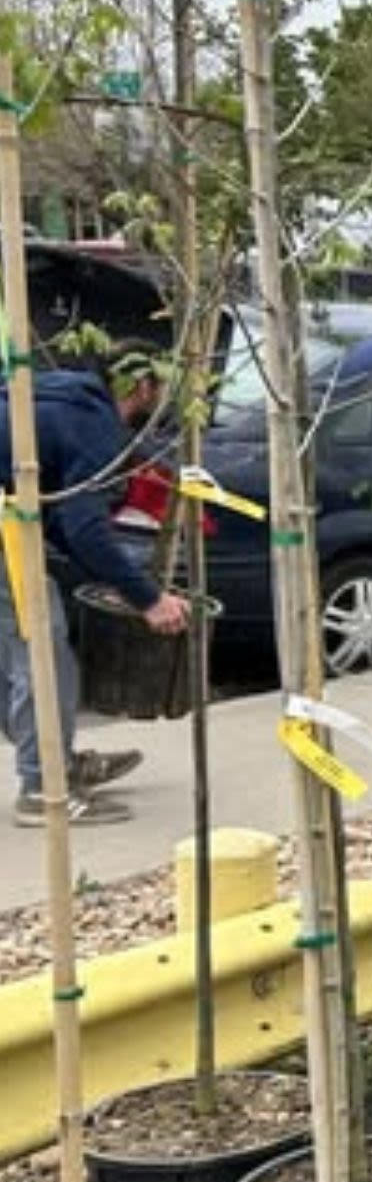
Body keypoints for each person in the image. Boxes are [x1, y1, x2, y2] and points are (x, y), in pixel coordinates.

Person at [2, 349, 186, 828]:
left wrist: (116, 580)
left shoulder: (60, 394)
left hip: (11, 522)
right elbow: (84, 527)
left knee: (18, 652)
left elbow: (63, 518)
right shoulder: (95, 423)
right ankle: (43, 785)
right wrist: (149, 598)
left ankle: (50, 762)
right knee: (41, 648)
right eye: (163, 386)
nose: (167, 397)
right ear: (141, 387)